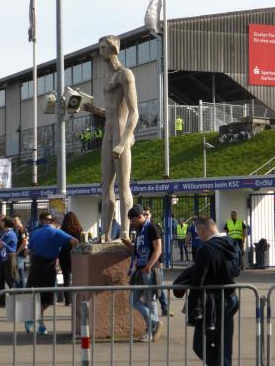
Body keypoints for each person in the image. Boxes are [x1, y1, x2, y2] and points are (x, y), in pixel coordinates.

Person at [97, 35, 139, 241]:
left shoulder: (125, 74)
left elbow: (134, 112)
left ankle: (125, 231)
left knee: (123, 185)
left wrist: (123, 142)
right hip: (108, 132)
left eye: (103, 47)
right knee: (105, 185)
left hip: (121, 133)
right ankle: (105, 233)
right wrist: (91, 108)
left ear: (113, 48)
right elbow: (111, 110)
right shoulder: (106, 78)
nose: (100, 51)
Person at [189, 216, 241, 366]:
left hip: (211, 301)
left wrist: (193, 307)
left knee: (199, 344)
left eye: (198, 232)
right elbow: (237, 270)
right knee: (224, 345)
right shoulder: (233, 243)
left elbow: (198, 280)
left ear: (202, 229)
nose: (198, 235)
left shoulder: (206, 248)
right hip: (230, 298)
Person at [26, 212, 78, 334]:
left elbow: (28, 251)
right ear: (54, 223)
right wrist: (72, 254)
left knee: (35, 295)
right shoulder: (56, 232)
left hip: (35, 266)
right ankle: (36, 320)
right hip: (48, 266)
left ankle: (37, 322)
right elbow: (75, 241)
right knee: (48, 298)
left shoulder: (34, 232)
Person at [125, 204, 163, 342]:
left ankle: (151, 330)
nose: (131, 223)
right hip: (141, 269)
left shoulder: (152, 227)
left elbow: (158, 249)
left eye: (133, 220)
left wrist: (149, 266)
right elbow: (139, 249)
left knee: (150, 300)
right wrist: (130, 246)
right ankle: (154, 323)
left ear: (140, 216)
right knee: (133, 301)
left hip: (150, 269)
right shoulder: (140, 229)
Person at [0, 217, 18, 307]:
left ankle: (14, 300)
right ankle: (2, 301)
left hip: (9, 257)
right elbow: (2, 242)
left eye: (2, 222)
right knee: (0, 280)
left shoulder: (9, 233)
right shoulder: (6, 233)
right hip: (4, 258)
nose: (0, 223)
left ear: (6, 223)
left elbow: (1, 244)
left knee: (10, 279)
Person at [60, 211, 83, 306]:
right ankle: (77, 298)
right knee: (76, 278)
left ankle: (67, 300)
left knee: (66, 278)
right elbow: (80, 243)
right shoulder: (78, 230)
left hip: (63, 255)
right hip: (75, 255)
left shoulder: (62, 230)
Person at [12, 215, 28, 288]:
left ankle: (19, 288)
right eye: (13, 220)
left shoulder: (22, 230)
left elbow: (24, 243)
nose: (14, 222)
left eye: (15, 220)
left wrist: (17, 252)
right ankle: (21, 288)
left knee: (17, 271)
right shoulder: (15, 229)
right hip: (16, 254)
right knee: (20, 271)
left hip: (20, 254)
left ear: (19, 221)